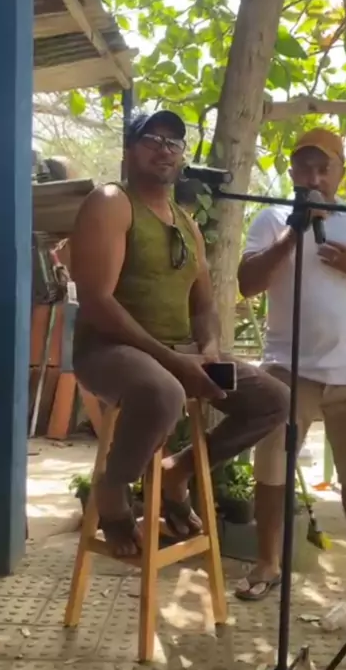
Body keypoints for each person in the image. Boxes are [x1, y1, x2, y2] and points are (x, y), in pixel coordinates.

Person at [70, 110, 289, 557]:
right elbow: (96, 302)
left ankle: (178, 471)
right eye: (152, 139)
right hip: (110, 350)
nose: (164, 149)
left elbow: (203, 305)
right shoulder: (111, 202)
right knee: (163, 391)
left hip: (178, 352)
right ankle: (112, 487)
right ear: (129, 149)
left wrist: (208, 350)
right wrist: (173, 362)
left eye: (173, 142)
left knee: (273, 399)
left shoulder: (187, 223)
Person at [236, 127, 346, 607]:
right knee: (272, 469)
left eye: (323, 168)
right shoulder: (271, 218)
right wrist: (294, 232)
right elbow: (247, 283)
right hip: (285, 368)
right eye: (304, 168)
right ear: (291, 171)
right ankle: (267, 562)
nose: (312, 178)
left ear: (341, 173)